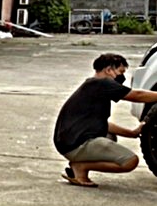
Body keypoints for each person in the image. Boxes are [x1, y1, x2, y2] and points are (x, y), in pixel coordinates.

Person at [53, 53, 157, 186]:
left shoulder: (92, 86)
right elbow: (137, 95)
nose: (122, 77)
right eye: (120, 72)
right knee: (130, 161)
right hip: (76, 144)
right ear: (108, 70)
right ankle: (81, 167)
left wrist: (131, 133)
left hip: (68, 143)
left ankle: (80, 168)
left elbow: (101, 124)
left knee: (109, 136)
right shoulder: (102, 84)